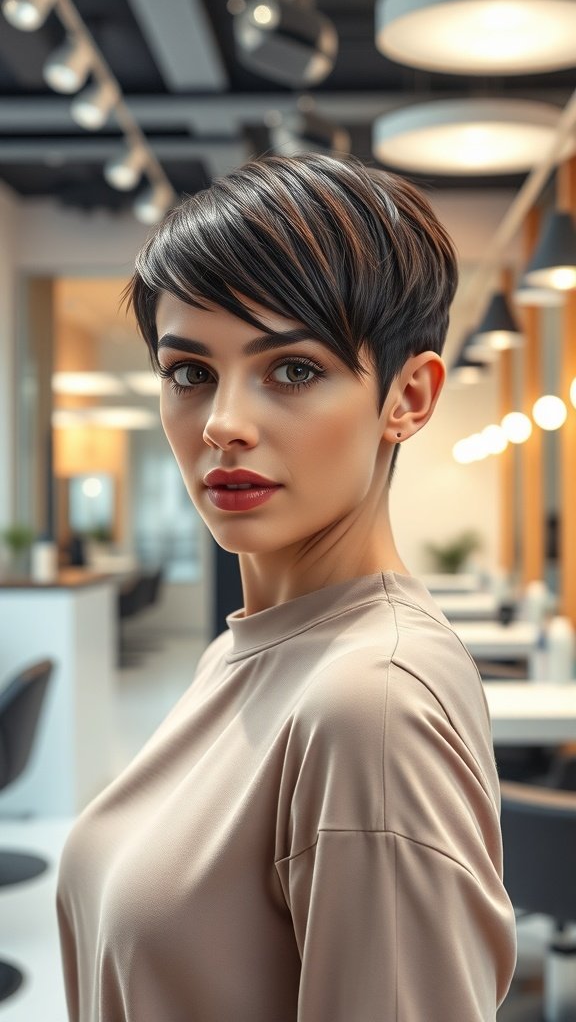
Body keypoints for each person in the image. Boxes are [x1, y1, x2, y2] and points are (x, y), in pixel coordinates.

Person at [56, 152, 517, 1021]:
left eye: (294, 369)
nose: (223, 424)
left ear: (408, 397)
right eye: (190, 373)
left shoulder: (370, 705)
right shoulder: (250, 647)